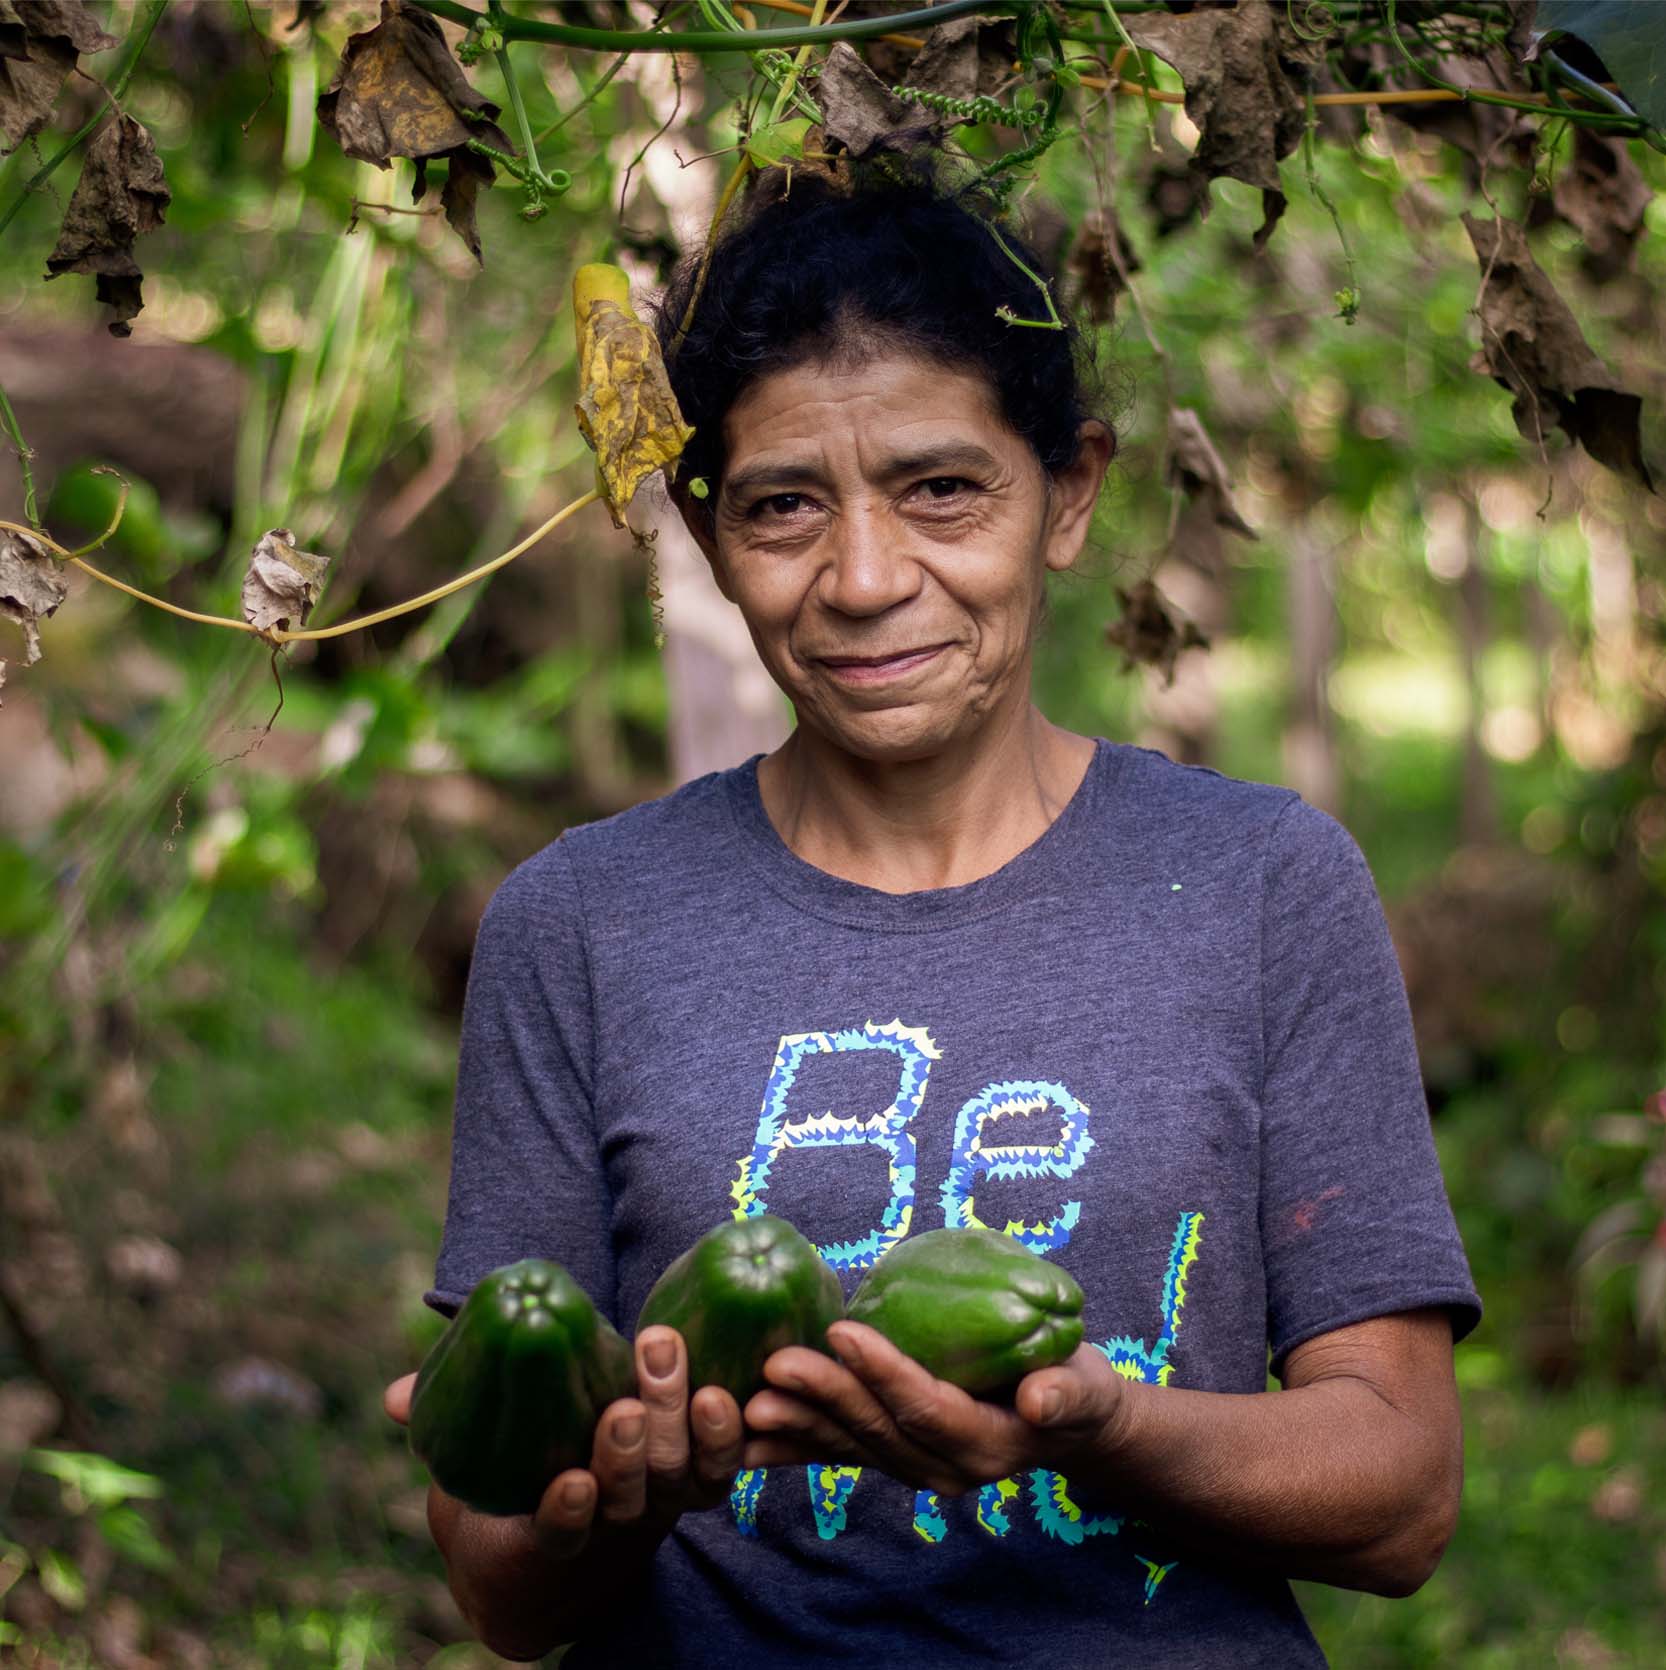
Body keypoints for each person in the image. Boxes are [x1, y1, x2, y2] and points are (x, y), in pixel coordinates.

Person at [383, 176, 1480, 1668]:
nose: (865, 578)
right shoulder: (580, 921)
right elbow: (504, 1587)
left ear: (1070, 490)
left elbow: (1399, 1496)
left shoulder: (1265, 885)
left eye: (940, 488)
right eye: (782, 506)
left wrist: (1095, 1424)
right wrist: (626, 1495)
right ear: (707, 537)